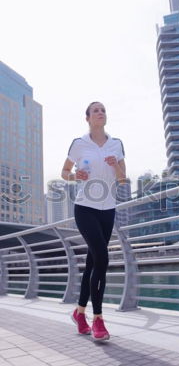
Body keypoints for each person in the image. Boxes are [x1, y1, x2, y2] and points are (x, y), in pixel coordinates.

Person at [61, 101, 126, 341]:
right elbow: (64, 172)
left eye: (103, 110)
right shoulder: (79, 144)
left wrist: (115, 164)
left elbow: (122, 180)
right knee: (102, 258)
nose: (100, 113)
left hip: (107, 209)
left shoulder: (116, 144)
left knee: (92, 265)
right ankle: (98, 319)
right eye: (95, 110)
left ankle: (79, 313)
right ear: (87, 118)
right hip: (85, 208)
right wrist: (74, 175)